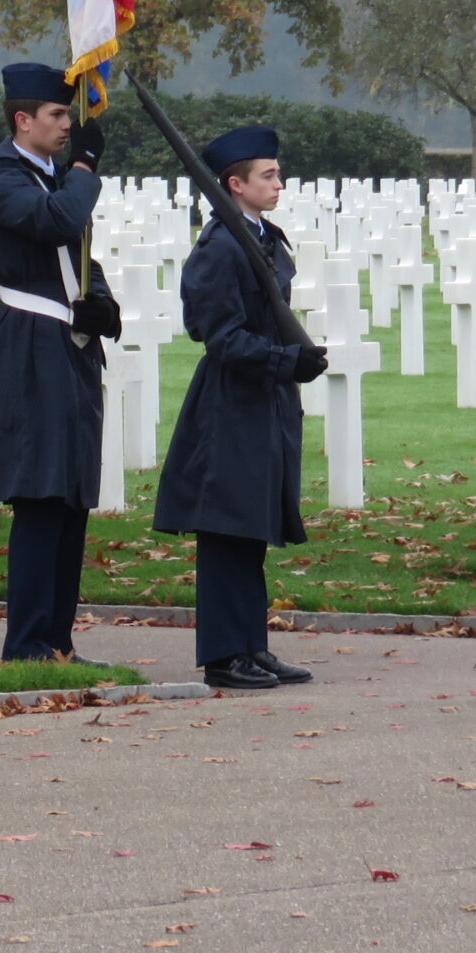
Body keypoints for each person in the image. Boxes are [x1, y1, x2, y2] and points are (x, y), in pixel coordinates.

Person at [151, 125, 329, 691]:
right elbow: (219, 336)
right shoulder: (221, 248)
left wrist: (288, 363)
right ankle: (224, 654)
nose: (279, 182)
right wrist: (286, 361)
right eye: (268, 175)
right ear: (235, 184)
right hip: (231, 403)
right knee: (227, 528)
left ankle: (251, 642)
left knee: (252, 527)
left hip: (264, 401)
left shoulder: (260, 237)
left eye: (277, 173)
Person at [0, 61, 122, 664]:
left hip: (70, 347)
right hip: (30, 344)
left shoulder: (56, 175)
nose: (68, 125)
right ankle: (27, 641)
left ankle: (58, 640)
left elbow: (83, 256)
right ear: (22, 119)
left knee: (71, 495)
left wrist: (104, 308)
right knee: (40, 493)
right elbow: (59, 222)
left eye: (69, 115)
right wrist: (84, 169)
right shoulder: (1, 178)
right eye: (58, 115)